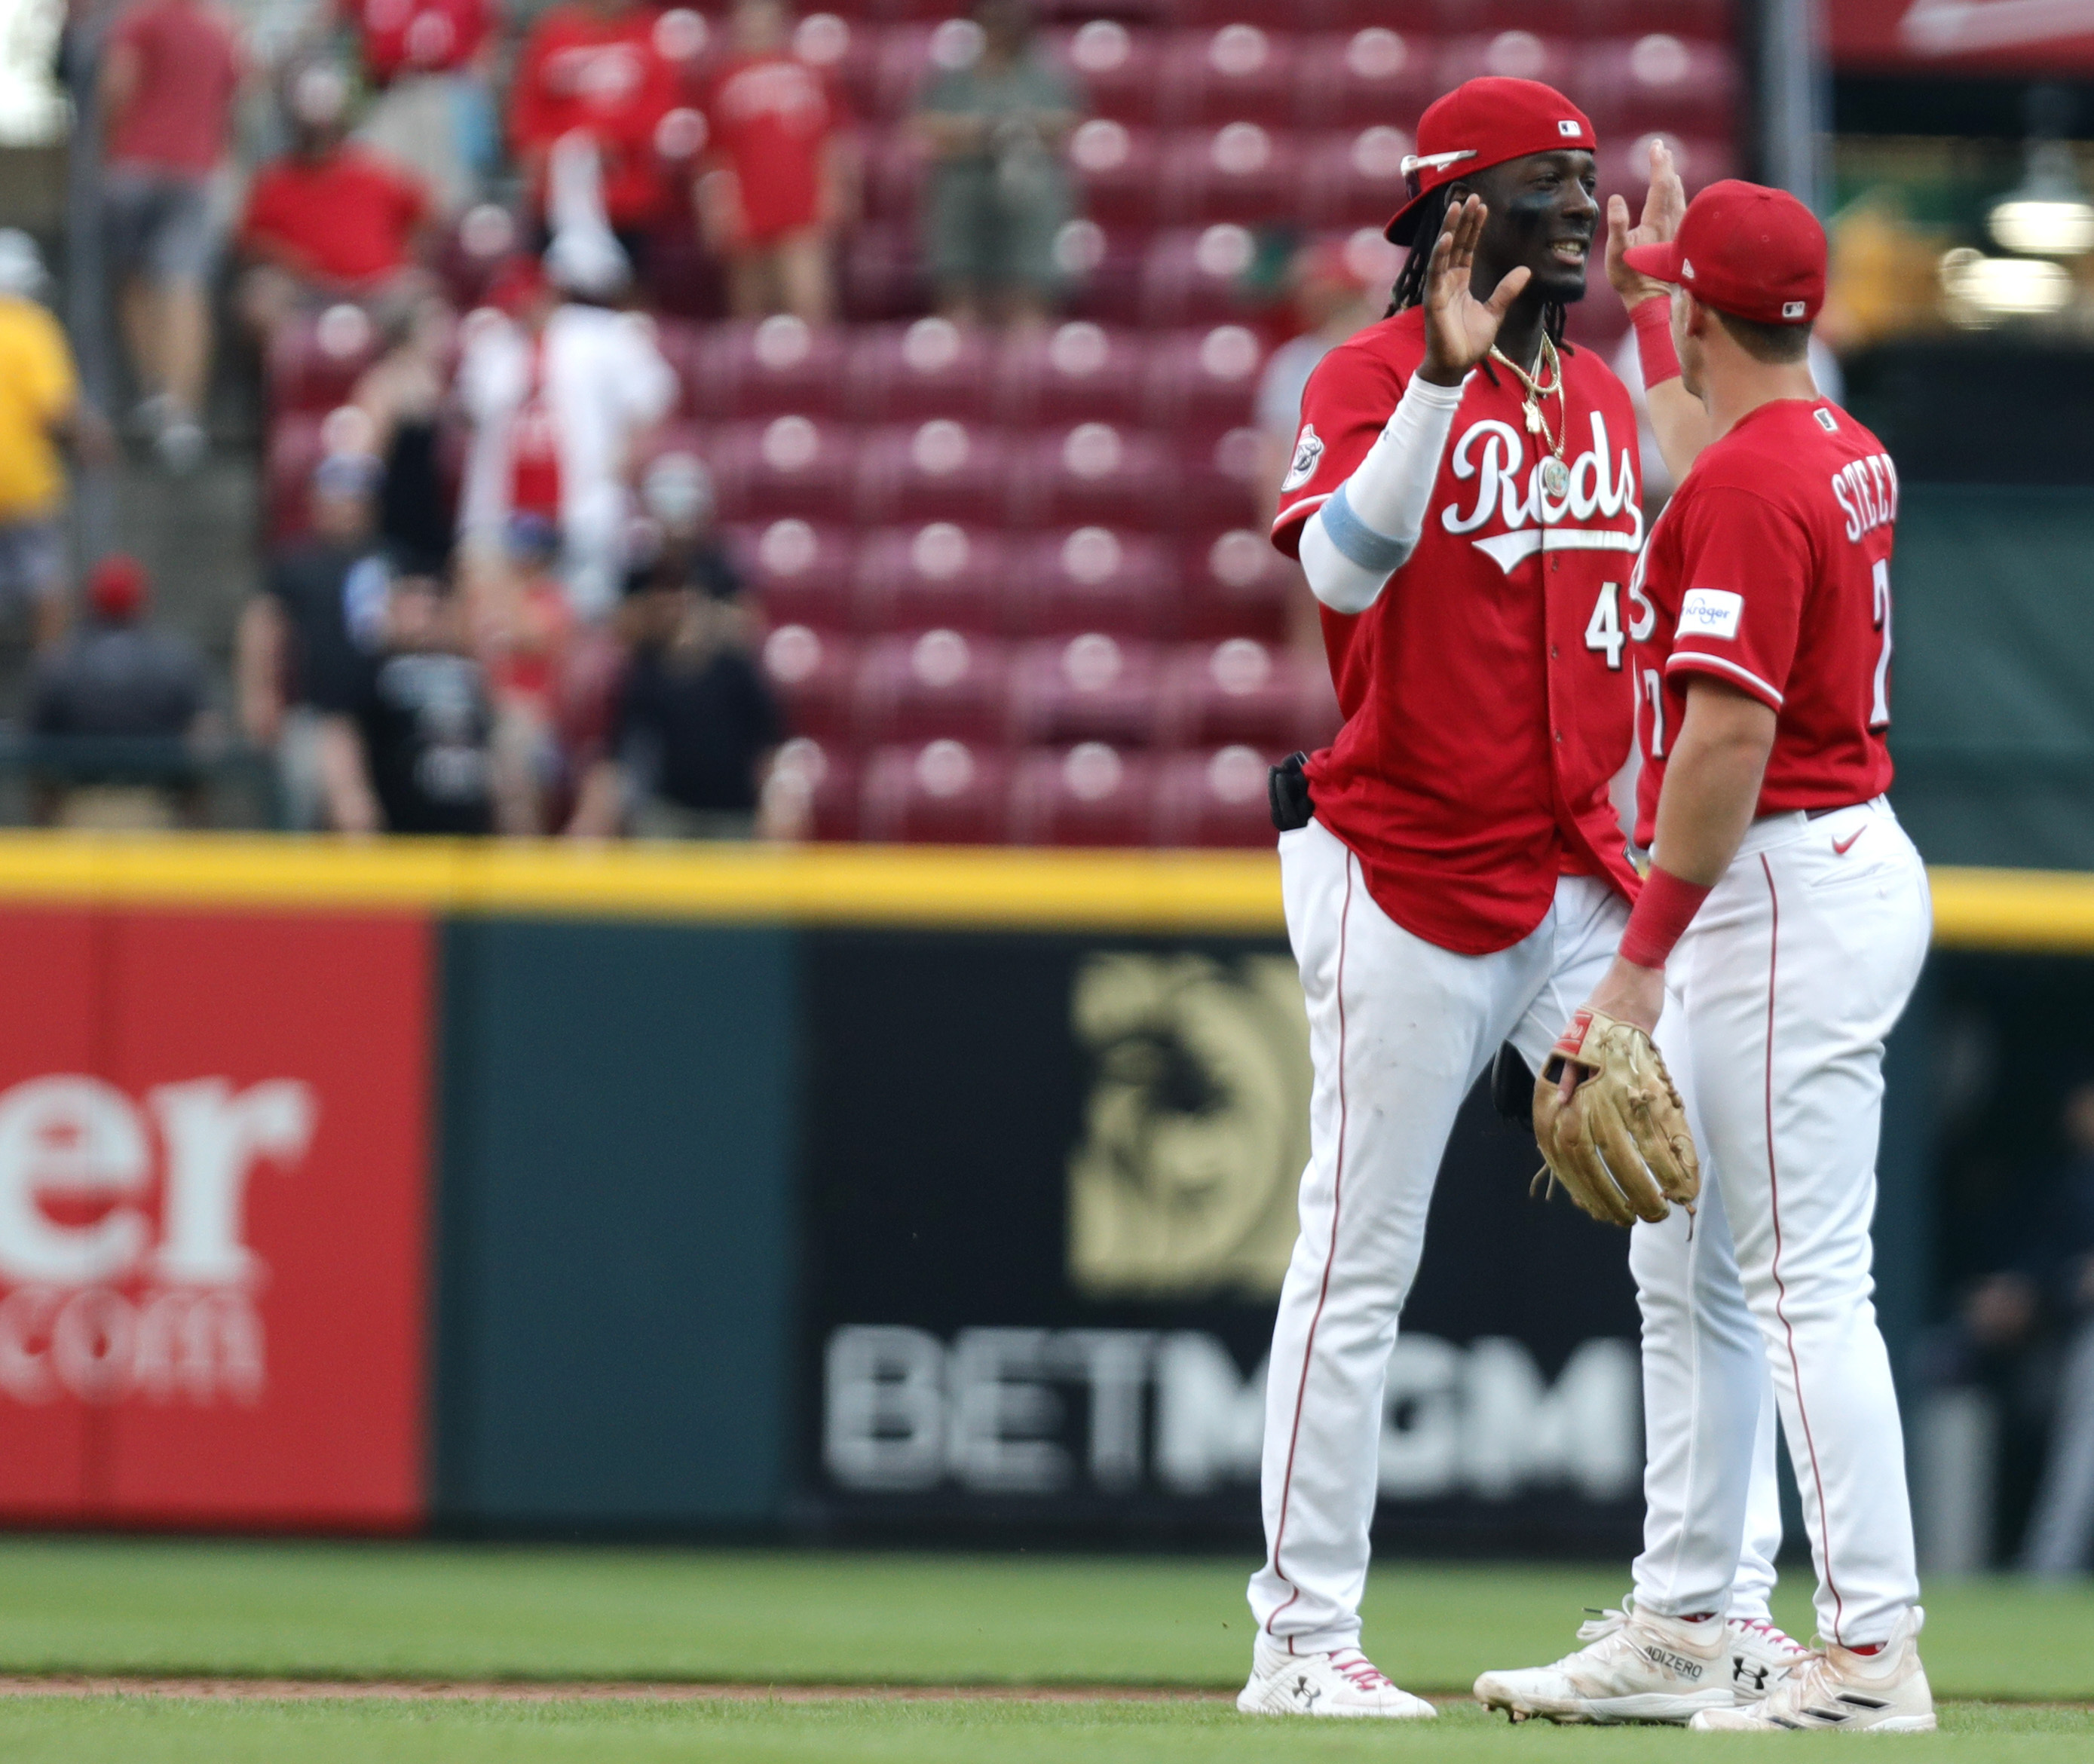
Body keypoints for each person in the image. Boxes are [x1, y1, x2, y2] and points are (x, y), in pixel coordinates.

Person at [1238, 81, 1800, 1720]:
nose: (1580, 205)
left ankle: (1702, 1608)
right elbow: (1338, 570)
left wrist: (1670, 306)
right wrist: (1433, 377)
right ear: (1455, 213)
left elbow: (1712, 471)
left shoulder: (1601, 392)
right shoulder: (1366, 374)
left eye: (1584, 179)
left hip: (1572, 873)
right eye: (1547, 183)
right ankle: (1299, 1642)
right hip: (1399, 865)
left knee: (1696, 1214)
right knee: (1362, 1254)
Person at [1477, 181, 1937, 1732]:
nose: (1653, 307)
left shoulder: (1750, 486)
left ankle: (1871, 1651)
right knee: (1688, 1269)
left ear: (1705, 317)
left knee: (1808, 1287)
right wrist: (1666, 278)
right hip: (1821, 866)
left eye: (1670, 291)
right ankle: (1689, 1620)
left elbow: (1727, 735)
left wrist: (1641, 963)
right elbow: (1705, 444)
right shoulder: (1824, 442)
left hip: (1782, 885)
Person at [455, 240, 676, 622]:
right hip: (504, 505)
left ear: (549, 292)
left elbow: (654, 393)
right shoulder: (493, 347)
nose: (521, 309)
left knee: (583, 612)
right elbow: (469, 412)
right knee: (503, 620)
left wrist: (627, 453)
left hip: (582, 502)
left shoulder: (601, 334)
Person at [98, 0, 243, 471]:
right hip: (197, 171)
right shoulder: (219, 31)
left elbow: (115, 86)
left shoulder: (139, 21)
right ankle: (181, 411)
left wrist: (107, 147)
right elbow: (235, 99)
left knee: (134, 281)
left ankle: (156, 390)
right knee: (185, 288)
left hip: (135, 167)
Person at [567, 556, 782, 839]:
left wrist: (776, 802)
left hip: (733, 813)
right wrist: (592, 814)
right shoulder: (646, 671)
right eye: (667, 595)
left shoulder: (736, 669)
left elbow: (770, 743)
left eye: (684, 595)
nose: (676, 604)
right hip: (668, 811)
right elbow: (620, 750)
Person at [238, 452, 394, 829]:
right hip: (317, 712)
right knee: (323, 798)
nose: (345, 507)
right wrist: (260, 695)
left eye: (353, 497)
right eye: (335, 498)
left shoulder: (390, 558)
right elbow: (263, 626)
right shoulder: (297, 562)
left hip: (388, 715)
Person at [238, 63, 435, 348]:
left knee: (424, 305)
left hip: (376, 293)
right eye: (311, 126)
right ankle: (291, 380)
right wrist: (293, 262)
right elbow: (250, 241)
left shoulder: (373, 172)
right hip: (307, 295)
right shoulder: (274, 181)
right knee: (261, 298)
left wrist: (403, 259)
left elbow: (427, 213)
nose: (320, 136)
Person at [914, 0, 1078, 327]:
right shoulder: (956, 77)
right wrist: (992, 131)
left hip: (1028, 198)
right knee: (959, 297)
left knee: (1026, 299)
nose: (1001, 29)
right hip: (963, 196)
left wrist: (1009, 130)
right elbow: (927, 127)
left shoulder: (1045, 75)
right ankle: (960, 376)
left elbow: (1068, 124)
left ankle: (1027, 378)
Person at [700, 0, 853, 323]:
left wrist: (835, 189)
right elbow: (714, 154)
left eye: (766, 18)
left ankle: (815, 369)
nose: (758, 26)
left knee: (808, 297)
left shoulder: (807, 74)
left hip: (800, 199)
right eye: (750, 19)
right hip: (746, 201)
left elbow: (830, 141)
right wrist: (716, 206)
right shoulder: (723, 79)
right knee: (751, 303)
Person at [317, 571, 501, 835]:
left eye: (433, 603)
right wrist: (351, 797)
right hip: (400, 834)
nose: (425, 613)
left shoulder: (472, 673)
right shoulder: (371, 669)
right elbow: (340, 733)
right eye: (413, 602)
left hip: (471, 832)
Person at [510, 0, 684, 277]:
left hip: (626, 195)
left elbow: (660, 111)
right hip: (559, 197)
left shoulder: (647, 36)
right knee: (547, 286)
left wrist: (609, 140)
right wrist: (544, 147)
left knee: (630, 289)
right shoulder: (554, 34)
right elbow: (528, 108)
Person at [0, 230, 110, 648]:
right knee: (46, 587)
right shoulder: (32, 327)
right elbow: (56, 410)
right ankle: (52, 685)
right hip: (25, 486)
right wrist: (92, 439)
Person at [344, 0, 498, 216]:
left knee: (447, 196)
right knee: (381, 173)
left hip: (446, 88)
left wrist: (474, 83)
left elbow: (488, 30)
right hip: (390, 89)